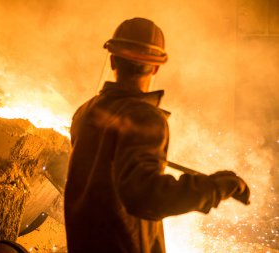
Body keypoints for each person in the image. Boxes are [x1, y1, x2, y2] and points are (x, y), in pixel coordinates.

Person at [63, 17, 250, 253]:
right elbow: (146, 197)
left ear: (112, 60)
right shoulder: (144, 117)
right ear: (156, 66)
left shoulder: (86, 111)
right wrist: (215, 187)